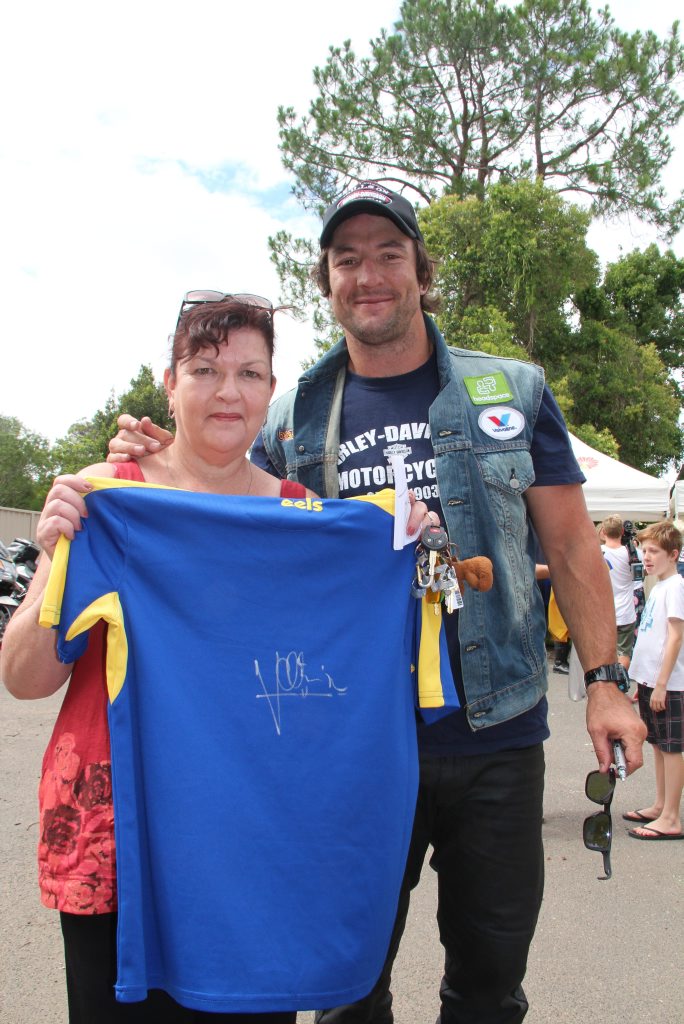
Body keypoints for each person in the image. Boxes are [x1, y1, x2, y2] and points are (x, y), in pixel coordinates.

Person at [108, 182, 646, 1024]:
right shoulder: (289, 413)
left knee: (489, 987)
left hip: (496, 734)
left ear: (422, 271)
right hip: (345, 744)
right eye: (346, 260)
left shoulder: (510, 390)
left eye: (389, 255)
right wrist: (150, 458)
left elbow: (574, 547)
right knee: (344, 985)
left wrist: (607, 682)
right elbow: (219, 494)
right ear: (327, 282)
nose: (369, 275)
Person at [2, 293, 431, 1024]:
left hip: (252, 842)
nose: (228, 391)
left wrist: (393, 548)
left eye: (250, 373)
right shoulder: (109, 496)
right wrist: (54, 553)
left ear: (272, 390)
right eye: (204, 369)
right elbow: (24, 678)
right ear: (168, 384)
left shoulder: (306, 521)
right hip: (120, 846)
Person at [624, 521, 684, 841]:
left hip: (670, 684)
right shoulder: (659, 585)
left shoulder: (675, 586)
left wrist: (660, 683)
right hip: (653, 681)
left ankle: (672, 816)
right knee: (659, 745)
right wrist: (646, 681)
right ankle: (661, 805)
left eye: (654, 552)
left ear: (673, 554)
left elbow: (675, 637)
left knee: (672, 747)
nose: (646, 557)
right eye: (644, 550)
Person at [600, 514, 637, 671]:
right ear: (622, 531)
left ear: (603, 531)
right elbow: (643, 574)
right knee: (624, 653)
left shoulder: (597, 552)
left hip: (603, 611)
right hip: (626, 611)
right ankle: (620, 684)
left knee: (603, 652)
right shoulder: (632, 552)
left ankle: (605, 685)